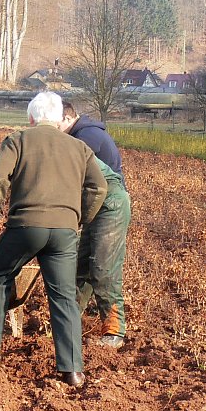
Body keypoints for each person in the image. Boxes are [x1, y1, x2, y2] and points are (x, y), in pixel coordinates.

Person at [0, 92, 107, 388]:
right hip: (65, 232)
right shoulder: (79, 147)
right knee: (63, 296)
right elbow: (99, 188)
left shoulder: (18, 140)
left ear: (31, 118)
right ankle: (72, 370)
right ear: (59, 118)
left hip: (26, 226)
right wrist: (78, 219)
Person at [60, 101, 131, 349]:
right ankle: (69, 322)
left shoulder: (85, 138)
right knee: (79, 267)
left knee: (103, 268)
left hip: (110, 204)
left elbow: (78, 181)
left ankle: (114, 331)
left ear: (67, 119)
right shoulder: (76, 136)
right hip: (95, 202)